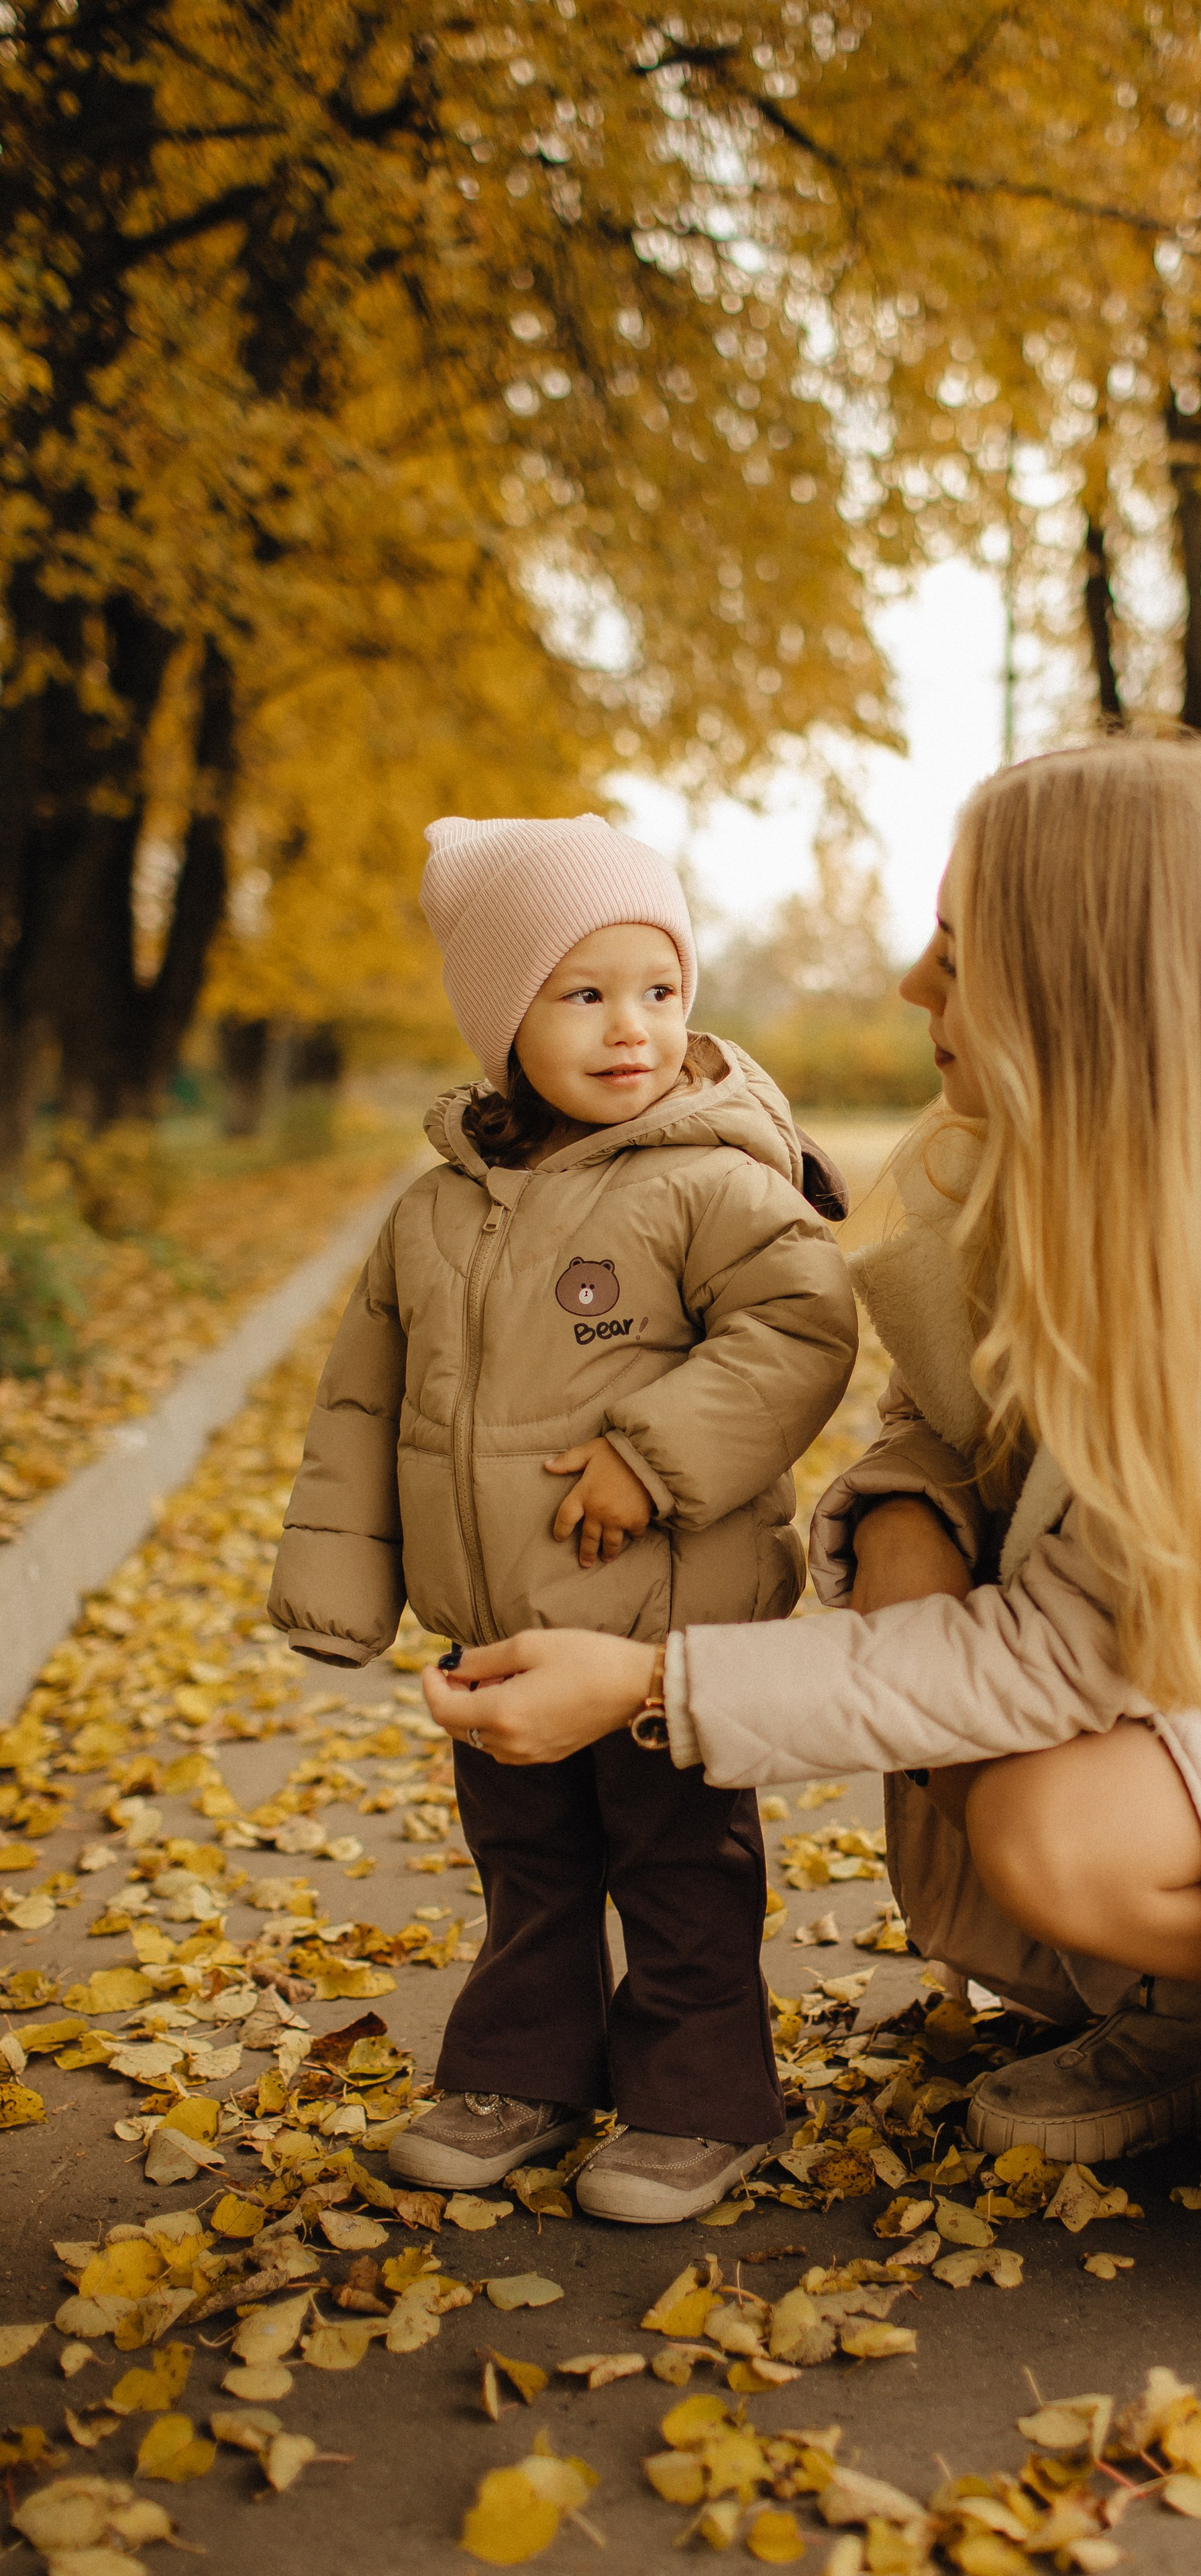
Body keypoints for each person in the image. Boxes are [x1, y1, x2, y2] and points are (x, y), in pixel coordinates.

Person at [420, 741, 1201, 2323]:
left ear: (1080, 986)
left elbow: (1069, 1654)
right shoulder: (1018, 1161)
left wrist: (646, 1688)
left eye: (957, 956)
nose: (909, 984)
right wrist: (902, 1521)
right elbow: (936, 1431)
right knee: (966, 1698)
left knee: (1046, 1820)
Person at [268, 814, 857, 2222]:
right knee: (526, 1867)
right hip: (497, 1629)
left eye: (657, 991)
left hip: (663, 1631)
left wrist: (649, 1460)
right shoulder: (435, 1216)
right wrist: (339, 1590)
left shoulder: (708, 1179)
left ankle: (698, 2102)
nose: (629, 1029)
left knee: (675, 1872)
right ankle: (520, 2078)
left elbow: (801, 1327)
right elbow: (364, 1403)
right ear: (500, 1020)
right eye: (581, 994)